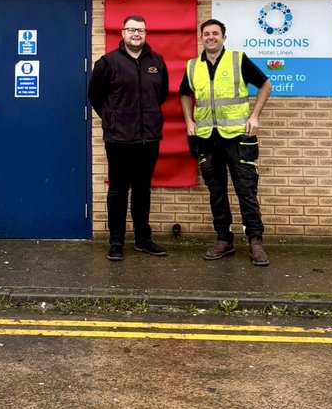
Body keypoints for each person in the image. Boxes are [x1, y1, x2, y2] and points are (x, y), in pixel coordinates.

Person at [180, 18, 272, 266]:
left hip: (237, 138)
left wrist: (255, 115)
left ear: (223, 37)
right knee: (216, 192)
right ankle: (224, 240)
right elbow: (184, 94)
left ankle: (255, 241)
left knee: (246, 189)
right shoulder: (192, 66)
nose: (210, 37)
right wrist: (189, 120)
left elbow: (266, 84)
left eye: (215, 33)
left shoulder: (237, 60)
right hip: (208, 139)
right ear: (201, 38)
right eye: (206, 33)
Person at [88, 14, 169, 261]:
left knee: (143, 190)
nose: (137, 34)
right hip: (119, 140)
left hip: (149, 139)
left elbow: (161, 95)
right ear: (122, 33)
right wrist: (114, 119)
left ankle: (143, 240)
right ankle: (116, 242)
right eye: (132, 30)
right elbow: (95, 95)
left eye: (141, 30)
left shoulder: (157, 61)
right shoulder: (108, 62)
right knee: (118, 191)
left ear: (146, 33)